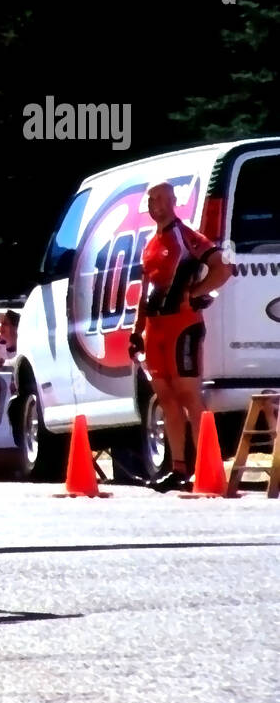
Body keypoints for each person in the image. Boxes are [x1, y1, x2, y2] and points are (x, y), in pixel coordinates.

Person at [130, 181, 233, 492]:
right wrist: (137, 332)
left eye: (161, 198)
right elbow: (144, 293)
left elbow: (223, 268)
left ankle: (208, 466)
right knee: (166, 398)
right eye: (150, 199)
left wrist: (196, 292)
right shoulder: (149, 243)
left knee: (189, 395)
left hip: (183, 325)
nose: (155, 204)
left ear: (173, 201)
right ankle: (178, 468)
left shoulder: (185, 235)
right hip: (155, 329)